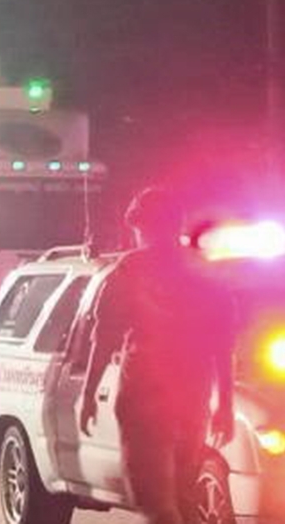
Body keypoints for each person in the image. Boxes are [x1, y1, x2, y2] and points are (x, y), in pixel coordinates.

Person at [80, 187, 236, 524]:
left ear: (141, 226)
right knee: (183, 497)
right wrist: (225, 403)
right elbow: (222, 344)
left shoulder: (129, 270)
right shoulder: (205, 272)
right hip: (192, 397)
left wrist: (88, 393)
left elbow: (104, 337)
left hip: (144, 399)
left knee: (153, 501)